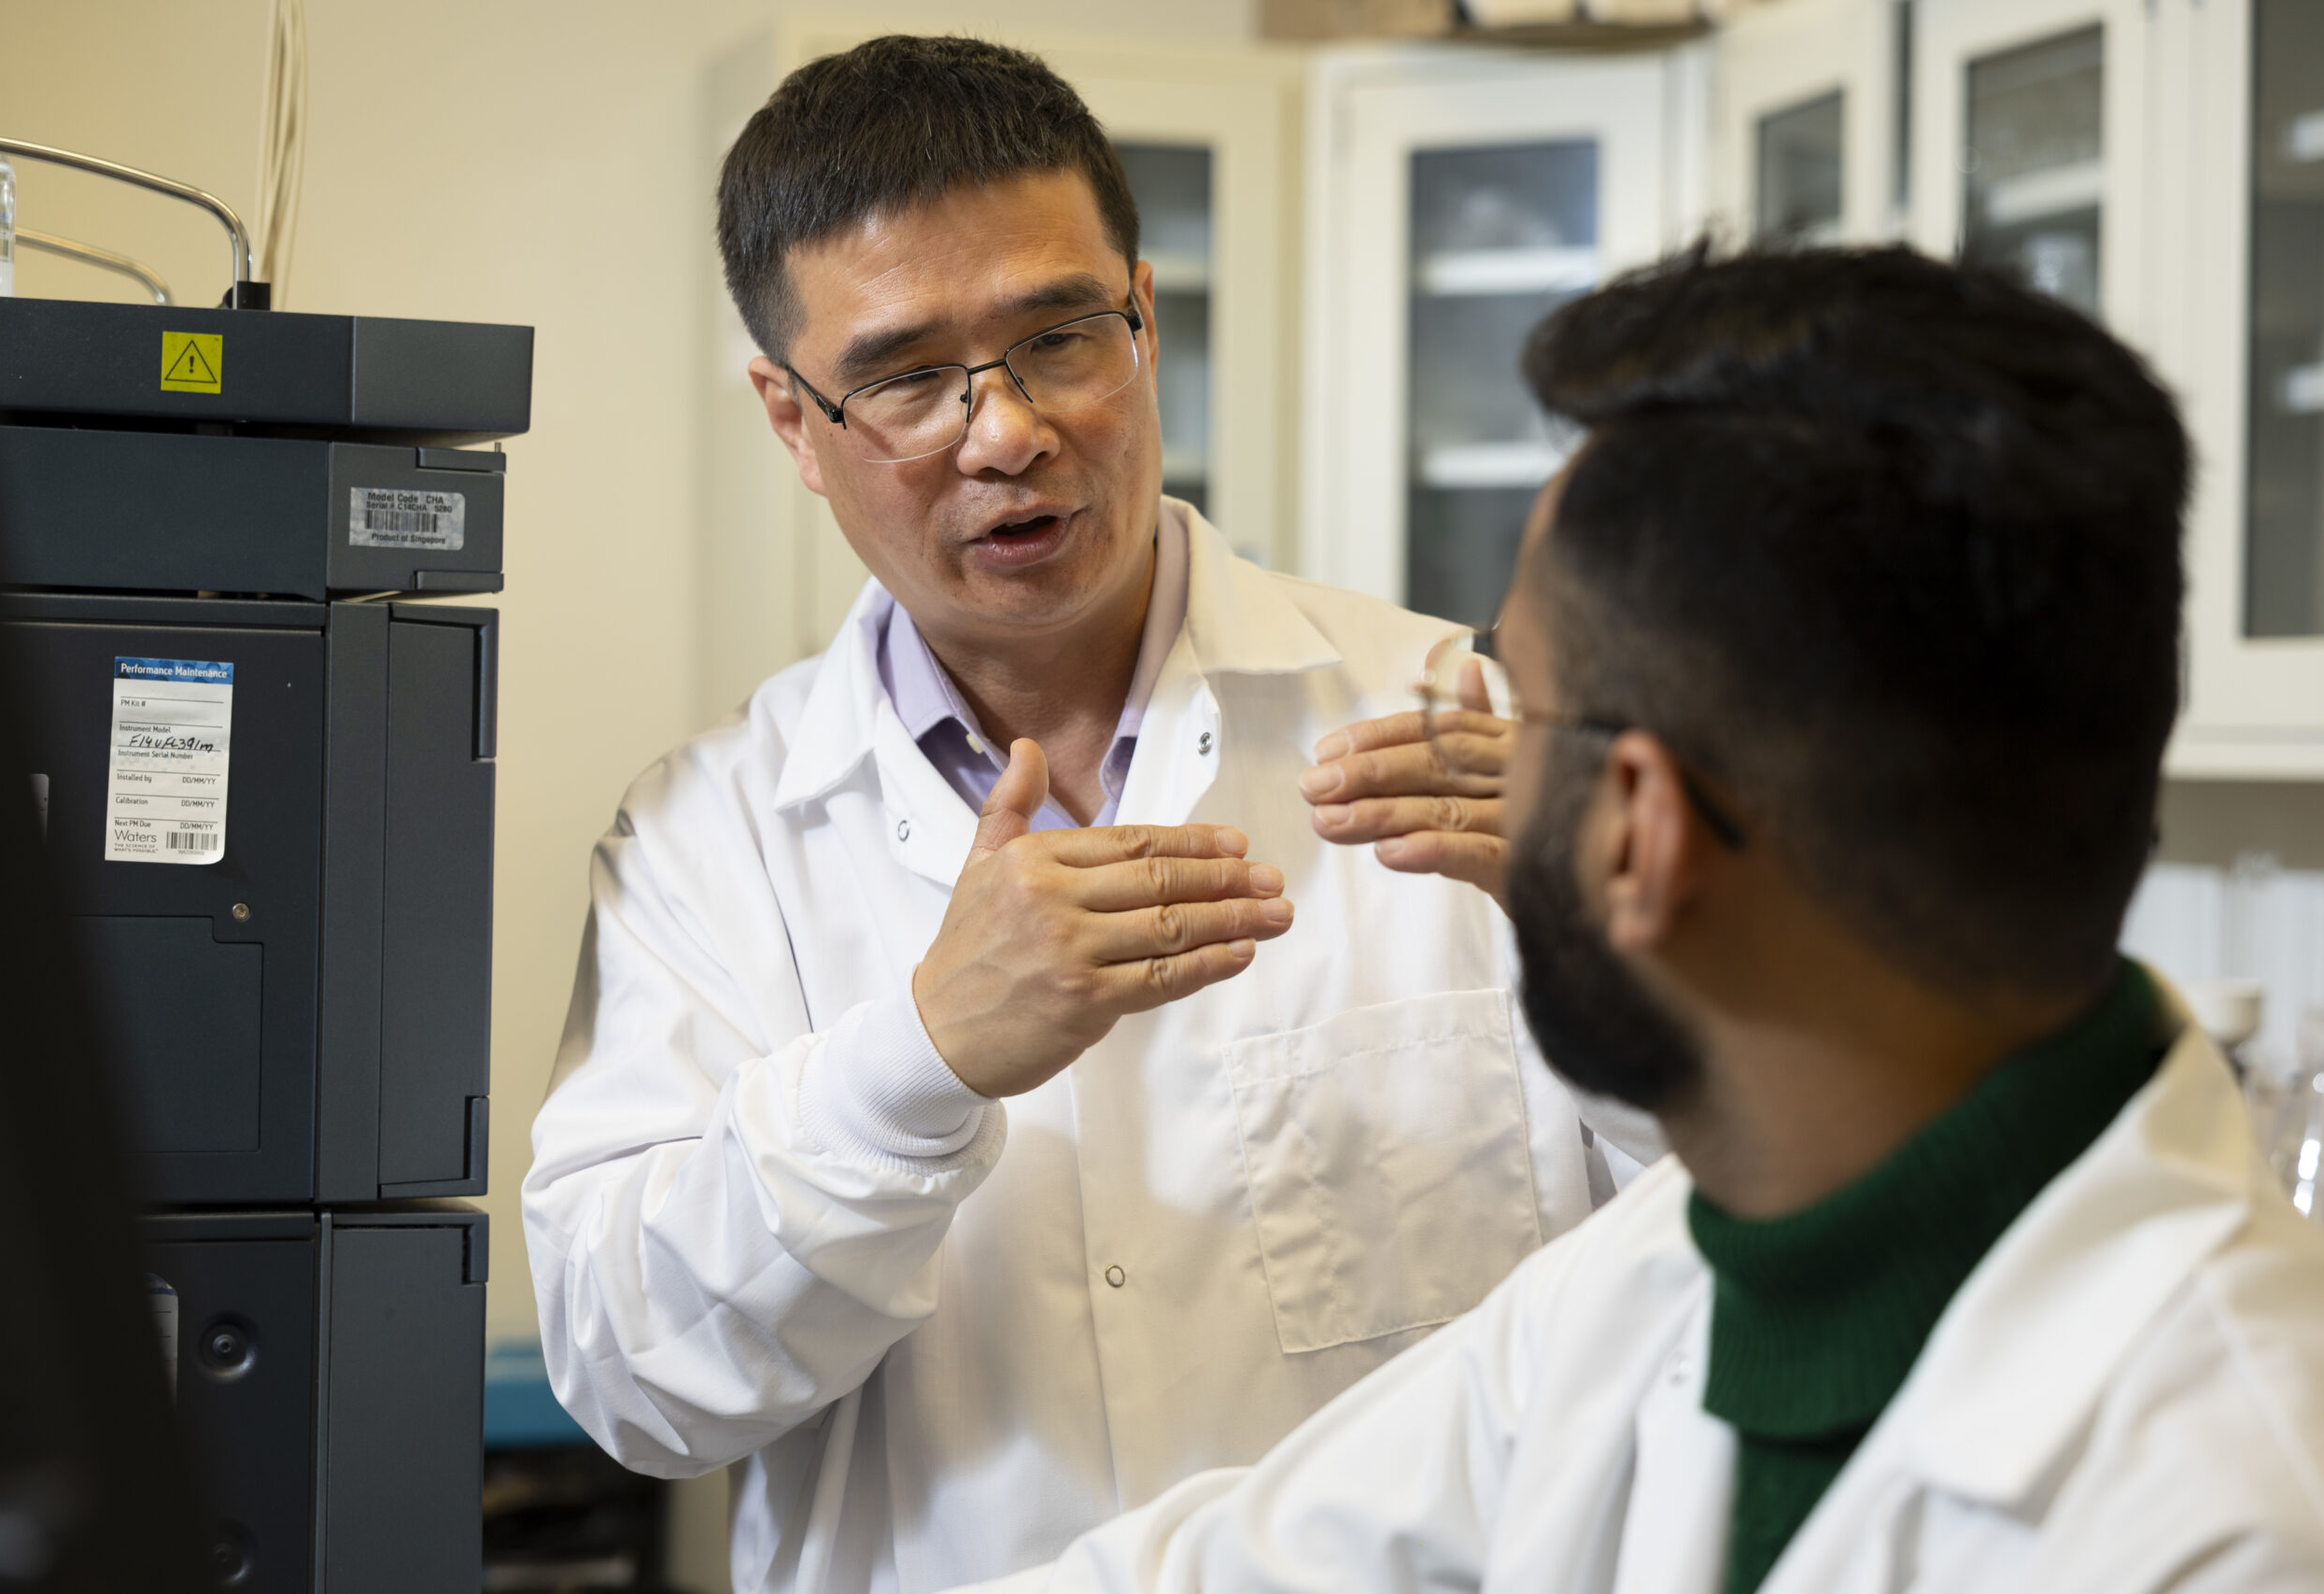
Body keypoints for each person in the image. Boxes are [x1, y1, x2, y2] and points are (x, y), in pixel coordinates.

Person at [954, 247, 2324, 1594]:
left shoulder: (2234, 1519)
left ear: (1637, 831)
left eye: (1515, 706)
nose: (1479, 751)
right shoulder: (1680, 1268)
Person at [523, 35, 1643, 1594]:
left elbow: (1733, 1253)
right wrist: (911, 1067)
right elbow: (633, 1384)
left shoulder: (1467, 724)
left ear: (1146, 322)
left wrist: (1644, 969)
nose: (1007, 432)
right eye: (911, 377)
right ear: (793, 424)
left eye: (1060, 337)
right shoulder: (711, 846)